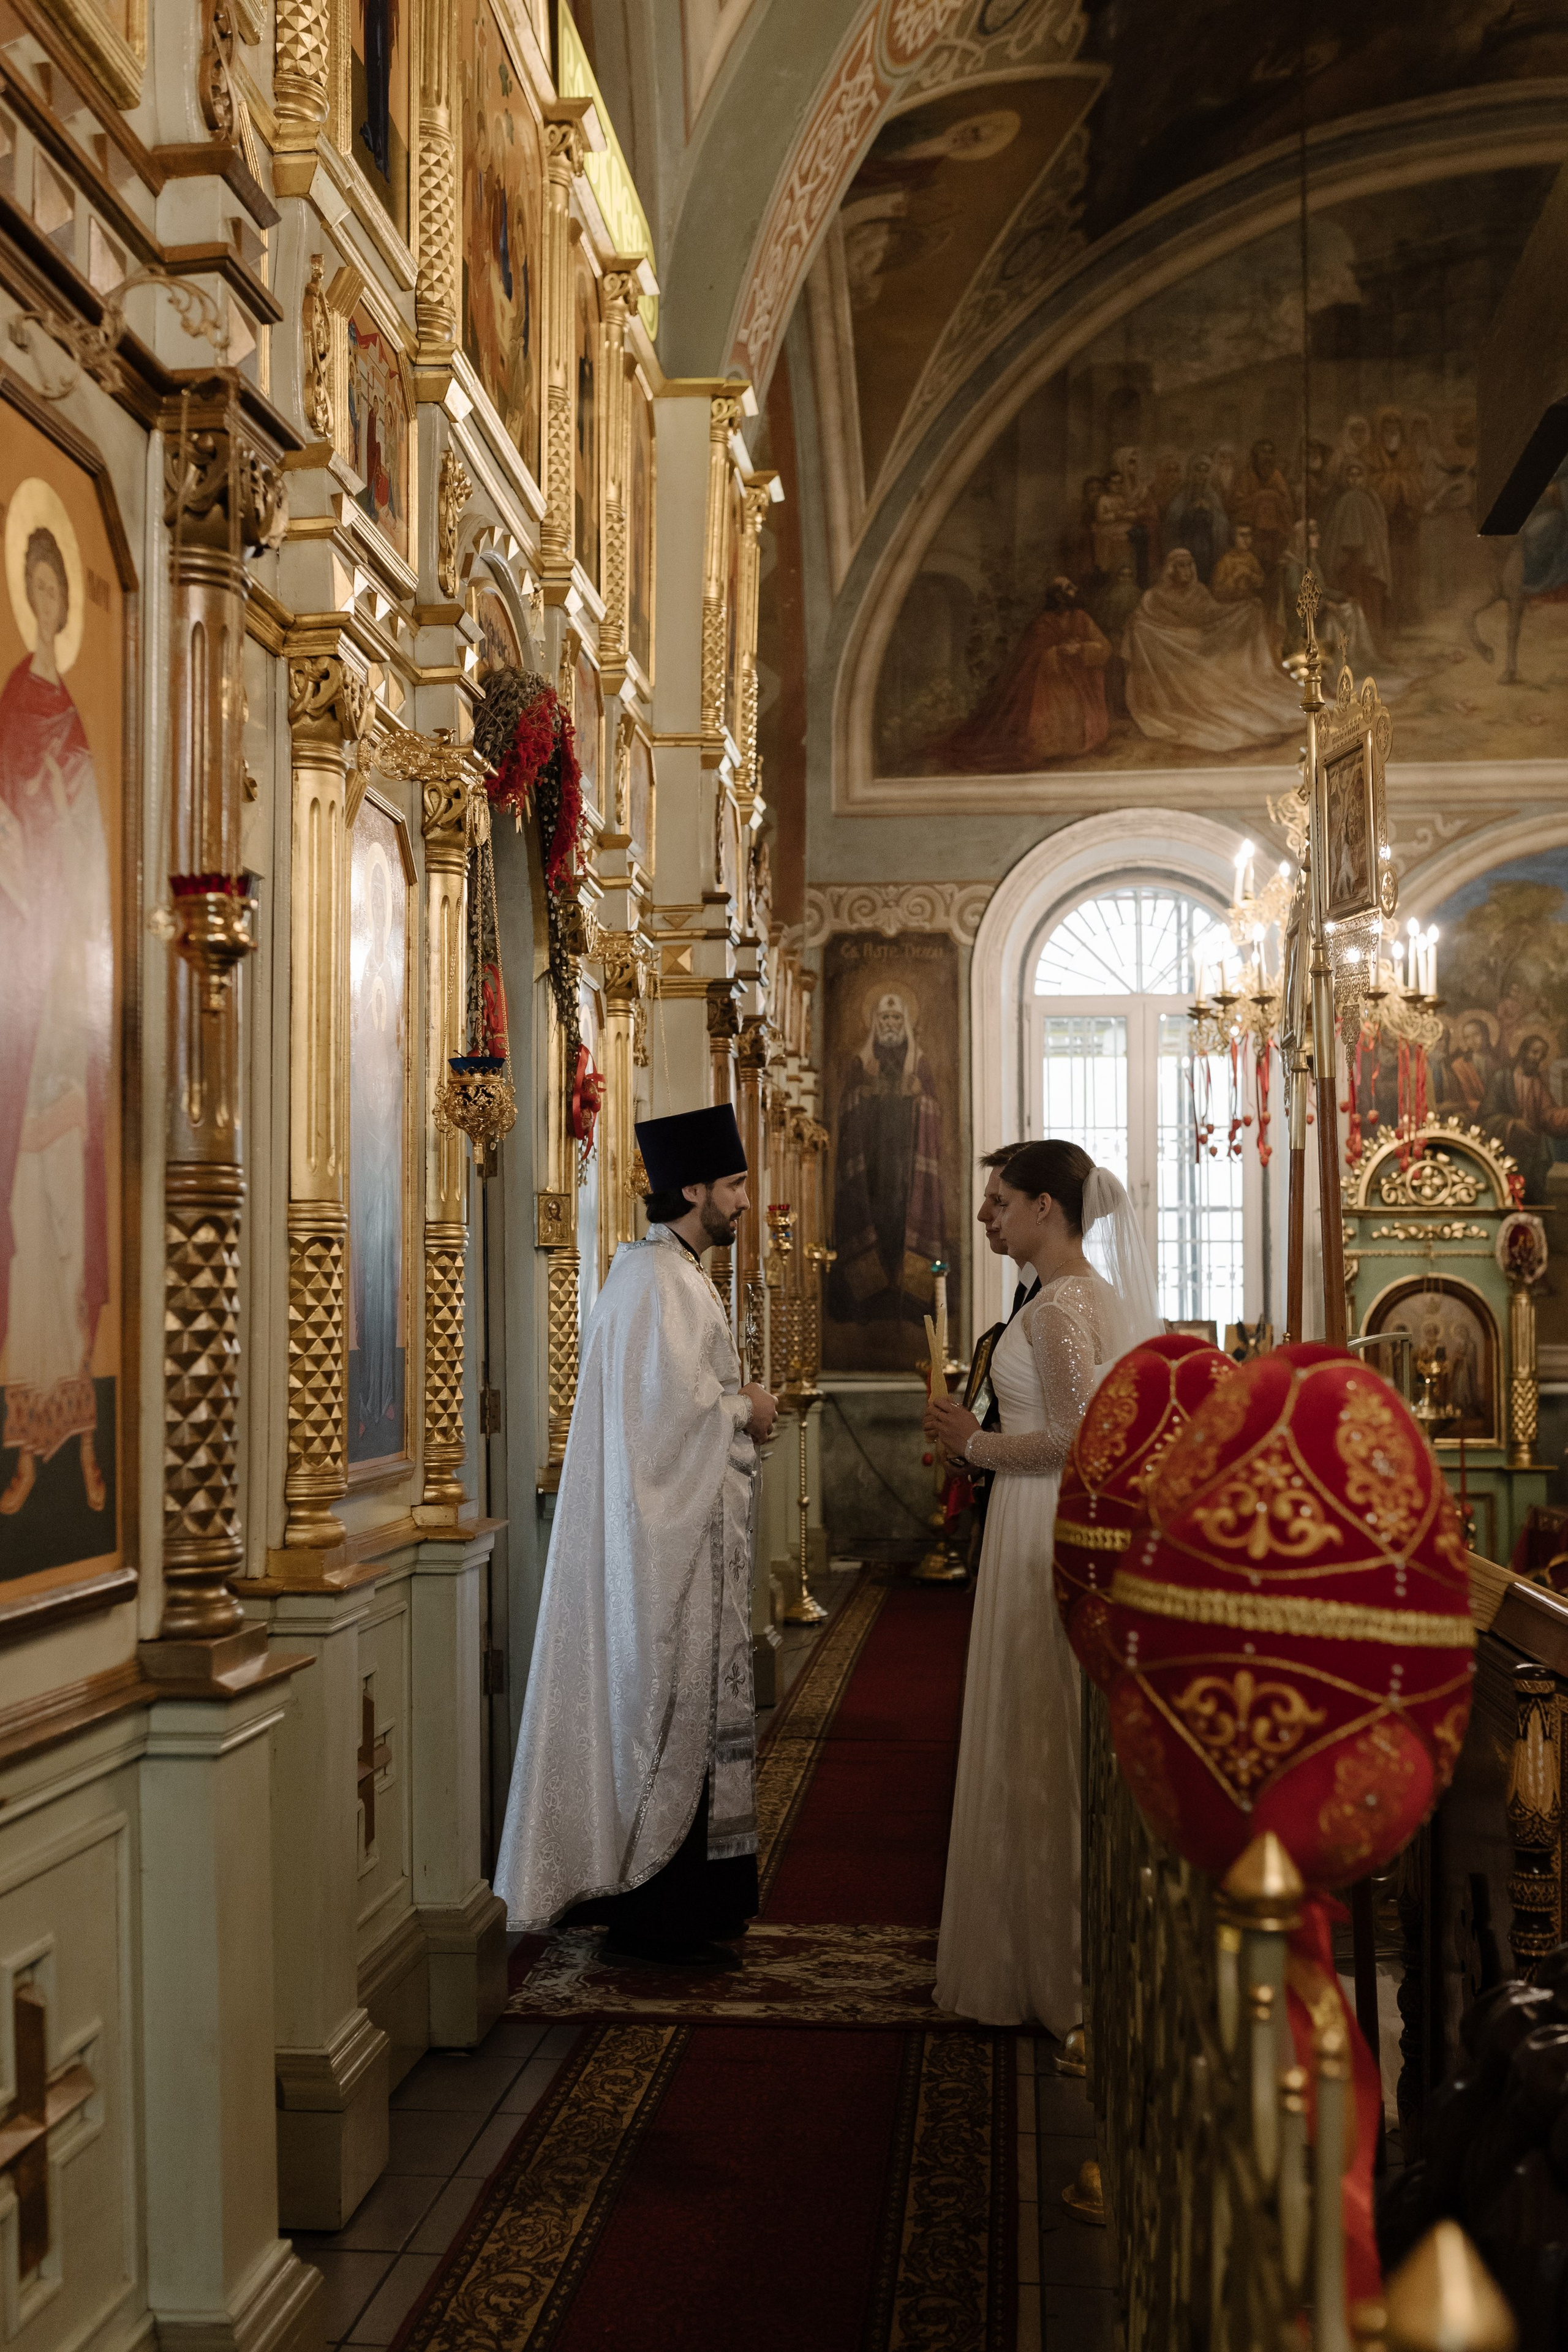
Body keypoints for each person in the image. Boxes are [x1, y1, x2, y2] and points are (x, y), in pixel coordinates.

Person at [494, 1103, 779, 1967]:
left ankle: (694, 1900)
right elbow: (667, 1430)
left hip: (680, 1548)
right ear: (691, 1187)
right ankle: (664, 1905)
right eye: (732, 1185)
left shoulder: (668, 1276)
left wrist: (729, 1412)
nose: (743, 1201)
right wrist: (746, 1410)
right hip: (667, 1557)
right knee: (664, 1716)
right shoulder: (657, 1283)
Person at [924, 1142, 1161, 2031]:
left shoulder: (1062, 1307)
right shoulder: (1065, 1298)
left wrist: (971, 1445)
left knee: (1037, 1722)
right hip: (1031, 1517)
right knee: (1037, 1720)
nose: (987, 1216)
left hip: (1040, 1522)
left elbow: (1072, 1437)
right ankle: (1042, 1943)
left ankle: (1048, 1961)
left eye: (999, 1201)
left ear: (1046, 1210)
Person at [0, 524, 112, 1521]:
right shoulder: (9, 712)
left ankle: (74, 1434)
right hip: (18, 996)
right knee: (27, 1230)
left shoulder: (72, 725)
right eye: (31, 586)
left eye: (53, 589)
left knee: (69, 1228)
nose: (42, 603)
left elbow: (84, 860)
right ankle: (31, 1443)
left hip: (64, 1006)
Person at [830, 987, 946, 1326]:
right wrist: (865, 1095)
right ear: (875, 1022)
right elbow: (846, 1108)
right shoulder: (861, 1061)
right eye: (885, 1018)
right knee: (876, 1220)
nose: (891, 1023)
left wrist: (918, 1098)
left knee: (902, 1219)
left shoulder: (919, 1061)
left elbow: (934, 1108)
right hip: (871, 1164)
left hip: (907, 1162)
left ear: (906, 1021)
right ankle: (870, 1298)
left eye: (897, 1017)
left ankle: (907, 1298)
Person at [1123, 548, 1302, 753]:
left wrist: (1244, 607)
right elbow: (1140, 622)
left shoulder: (1198, 591)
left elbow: (1214, 614)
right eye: (1180, 566)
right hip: (1174, 651)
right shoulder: (1154, 597)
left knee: (1243, 621)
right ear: (1170, 570)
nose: (1186, 571)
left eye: (1189, 565)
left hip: (1199, 648)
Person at [931, 577, 1110, 769]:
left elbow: (1105, 647)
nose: (1075, 589)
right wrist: (1057, 653)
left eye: (1073, 586)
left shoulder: (1082, 618)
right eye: (1069, 588)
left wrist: (1082, 649)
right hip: (1049, 686)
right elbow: (1033, 657)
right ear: (1058, 596)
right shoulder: (1042, 624)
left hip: (1079, 683)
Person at [1164, 451, 1230, 584]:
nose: (1202, 475)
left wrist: (1210, 510)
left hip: (1209, 546)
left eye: (1206, 471)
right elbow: (1172, 520)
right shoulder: (1183, 496)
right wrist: (1191, 509)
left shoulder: (1213, 497)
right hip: (1187, 544)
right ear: (1191, 473)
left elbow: (1223, 522)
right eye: (1198, 471)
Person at [1210, 521, 1265, 604]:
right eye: (1242, 535)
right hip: (1230, 604)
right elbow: (1216, 592)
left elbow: (1261, 583)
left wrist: (1250, 574)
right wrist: (1236, 576)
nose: (1247, 540)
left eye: (1249, 535)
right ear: (1233, 538)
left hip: (1248, 602)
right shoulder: (1225, 561)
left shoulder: (1251, 558)